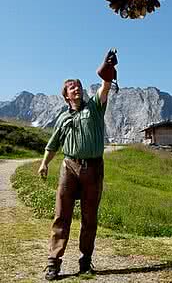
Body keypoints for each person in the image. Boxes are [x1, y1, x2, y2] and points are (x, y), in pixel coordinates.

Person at [38, 49, 118, 281]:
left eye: (79, 86)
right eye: (72, 87)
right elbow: (52, 144)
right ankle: (53, 262)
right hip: (68, 167)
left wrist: (108, 67)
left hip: (93, 168)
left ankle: (85, 260)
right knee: (61, 215)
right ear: (66, 96)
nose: (77, 89)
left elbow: (105, 85)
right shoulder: (63, 118)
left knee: (89, 217)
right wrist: (44, 164)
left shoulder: (94, 107)